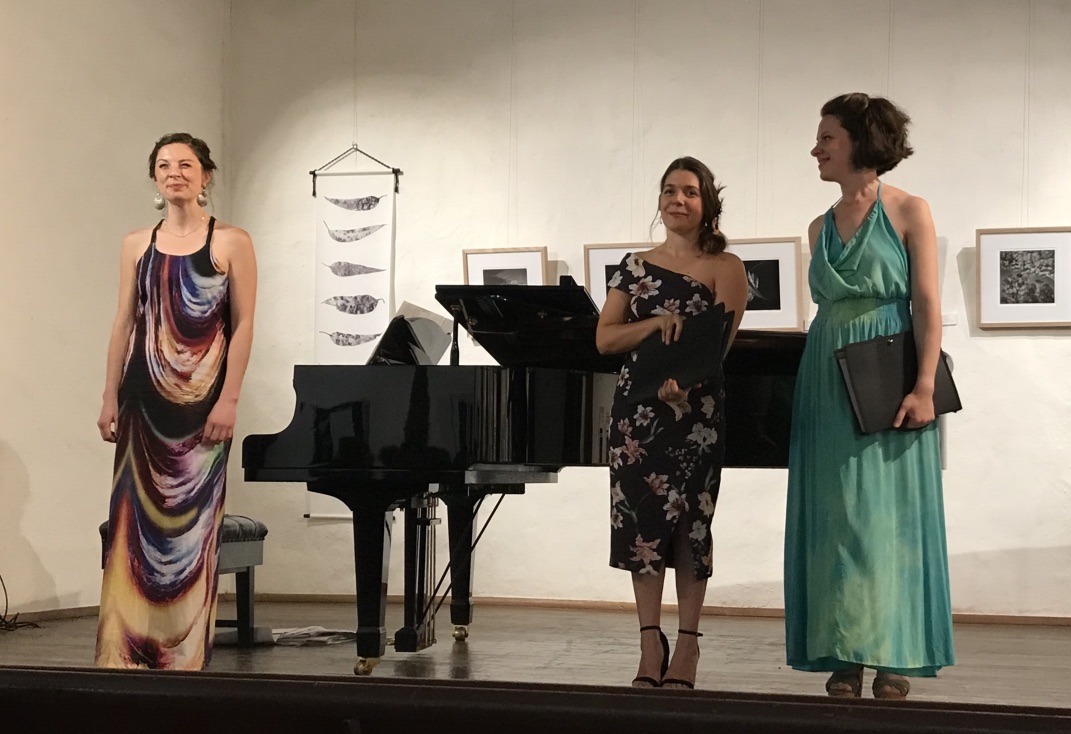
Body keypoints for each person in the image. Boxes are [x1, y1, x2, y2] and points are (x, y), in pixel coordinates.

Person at [784, 93, 955, 699]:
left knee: (888, 518)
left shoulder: (909, 210)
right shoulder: (818, 227)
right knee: (836, 518)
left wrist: (925, 386)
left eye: (826, 136)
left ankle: (893, 651)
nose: (816, 148)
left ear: (860, 139)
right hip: (826, 376)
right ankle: (844, 651)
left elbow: (927, 304)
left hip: (888, 375)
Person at [95, 133, 257, 669]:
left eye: (186, 165)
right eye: (164, 165)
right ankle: (125, 653)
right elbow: (123, 322)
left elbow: (243, 324)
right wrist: (109, 395)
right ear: (155, 177)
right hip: (141, 402)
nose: (175, 173)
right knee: (133, 527)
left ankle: (183, 658)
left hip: (202, 408)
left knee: (193, 532)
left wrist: (229, 399)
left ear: (205, 175)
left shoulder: (232, 241)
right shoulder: (135, 243)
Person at [596, 157, 748, 689]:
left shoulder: (726, 266)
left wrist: (684, 384)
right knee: (641, 527)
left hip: (695, 414)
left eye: (689, 191)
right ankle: (647, 643)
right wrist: (654, 323)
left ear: (707, 203)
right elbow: (605, 338)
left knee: (690, 527)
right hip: (635, 415)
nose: (677, 200)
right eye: (669, 191)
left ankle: (686, 646)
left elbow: (719, 346)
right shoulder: (634, 266)